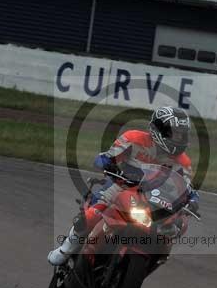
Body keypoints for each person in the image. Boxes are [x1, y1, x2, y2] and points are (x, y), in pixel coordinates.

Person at [48, 106, 200, 266]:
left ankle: (153, 259)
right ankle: (66, 249)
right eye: (175, 133)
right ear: (159, 129)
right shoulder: (133, 138)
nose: (180, 138)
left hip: (155, 199)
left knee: (176, 226)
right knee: (92, 215)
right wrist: (108, 163)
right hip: (121, 186)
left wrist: (193, 200)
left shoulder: (183, 161)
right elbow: (106, 157)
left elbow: (187, 187)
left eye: (183, 134)